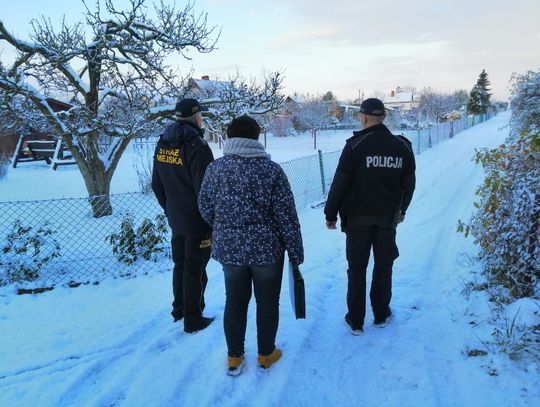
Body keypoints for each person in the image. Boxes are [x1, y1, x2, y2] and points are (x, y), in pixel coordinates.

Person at [198, 115, 304, 376]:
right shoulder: (271, 170)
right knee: (268, 302)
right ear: (257, 138)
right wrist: (295, 250)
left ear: (230, 137)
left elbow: (204, 207)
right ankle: (266, 354)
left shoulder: (216, 169)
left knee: (235, 301)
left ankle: (234, 358)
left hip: (230, 250)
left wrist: (225, 226)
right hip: (267, 250)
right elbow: (286, 214)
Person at [324, 98, 416, 335]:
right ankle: (381, 313)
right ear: (384, 117)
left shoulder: (355, 145)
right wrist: (402, 209)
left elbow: (340, 182)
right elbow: (409, 183)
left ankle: (355, 320)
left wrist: (330, 213)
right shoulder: (402, 147)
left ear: (363, 117)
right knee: (384, 265)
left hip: (357, 219)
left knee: (357, 267)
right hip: (387, 218)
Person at [151, 98, 215, 334]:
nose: (202, 120)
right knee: (195, 269)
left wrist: (169, 209)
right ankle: (193, 318)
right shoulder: (196, 146)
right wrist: (210, 219)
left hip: (175, 216)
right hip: (197, 220)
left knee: (181, 265)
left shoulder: (163, 142)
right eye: (201, 116)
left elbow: (156, 183)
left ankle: (179, 309)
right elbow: (206, 190)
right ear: (196, 118)